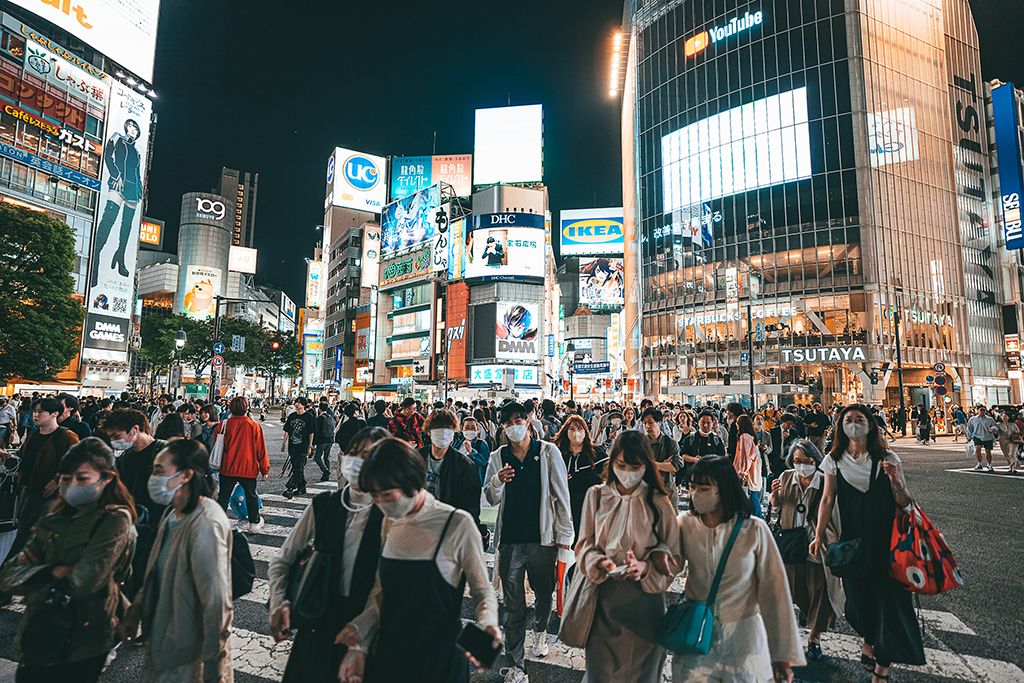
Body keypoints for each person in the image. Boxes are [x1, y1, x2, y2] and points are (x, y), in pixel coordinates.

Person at [336, 438, 500, 683]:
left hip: (440, 660)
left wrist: (488, 623)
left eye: (387, 494)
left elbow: (481, 588)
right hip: (390, 655)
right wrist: (359, 644)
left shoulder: (457, 523)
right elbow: (381, 592)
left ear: (411, 481)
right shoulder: (389, 522)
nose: (380, 503)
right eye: (375, 496)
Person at [0, 438, 137, 683]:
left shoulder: (115, 519)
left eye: (82, 479)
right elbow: (7, 577)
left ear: (106, 479)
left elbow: (86, 579)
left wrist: (37, 571)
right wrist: (56, 571)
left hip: (87, 635)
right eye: (65, 477)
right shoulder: (52, 518)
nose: (72, 484)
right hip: (38, 629)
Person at [809, 404, 924, 682]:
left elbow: (904, 500)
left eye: (860, 419)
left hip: (888, 543)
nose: (854, 423)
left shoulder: (887, 457)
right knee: (857, 606)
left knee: (889, 602)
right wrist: (818, 535)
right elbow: (827, 498)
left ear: (870, 425)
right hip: (853, 544)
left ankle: (881, 670)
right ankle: (869, 639)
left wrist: (895, 480)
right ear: (840, 425)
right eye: (848, 419)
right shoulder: (834, 459)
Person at [268, 427, 389, 683]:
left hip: (366, 628)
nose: (358, 460)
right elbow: (284, 557)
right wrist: (280, 601)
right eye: (354, 453)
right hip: (317, 621)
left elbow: (389, 585)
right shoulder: (325, 504)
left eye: (368, 455)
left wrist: (363, 636)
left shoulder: (393, 515)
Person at [671, 456, 805, 682]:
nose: (695, 494)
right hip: (697, 631)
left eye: (704, 488)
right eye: (692, 487)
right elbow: (669, 568)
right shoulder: (685, 523)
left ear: (723, 490)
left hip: (743, 637)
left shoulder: (754, 529)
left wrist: (781, 654)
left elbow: (774, 592)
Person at [119, 440, 233, 682]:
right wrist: (136, 609)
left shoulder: (206, 524)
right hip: (163, 643)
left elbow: (216, 604)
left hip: (191, 655)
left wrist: (215, 668)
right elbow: (157, 571)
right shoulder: (172, 514)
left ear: (186, 475)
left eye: (160, 470)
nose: (154, 477)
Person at [574, 431, 681, 682]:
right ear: (611, 462)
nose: (627, 472)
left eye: (635, 466)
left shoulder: (659, 502)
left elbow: (675, 553)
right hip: (603, 599)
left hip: (646, 603)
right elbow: (584, 545)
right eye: (620, 465)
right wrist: (598, 561)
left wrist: (646, 566)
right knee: (600, 674)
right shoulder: (596, 495)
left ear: (647, 465)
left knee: (644, 675)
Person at [484, 401, 573, 682]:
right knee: (513, 606)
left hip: (542, 540)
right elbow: (489, 496)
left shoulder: (547, 452)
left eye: (518, 420)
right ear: (502, 426)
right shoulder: (498, 456)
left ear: (529, 420)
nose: (514, 426)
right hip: (509, 540)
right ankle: (516, 664)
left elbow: (561, 496)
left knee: (544, 594)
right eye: (508, 422)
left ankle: (541, 632)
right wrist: (497, 480)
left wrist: (565, 536)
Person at [768, 439, 843, 661]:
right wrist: (773, 496)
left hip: (817, 543)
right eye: (796, 461)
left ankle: (815, 639)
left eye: (807, 461)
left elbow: (834, 510)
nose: (801, 465)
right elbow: (777, 505)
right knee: (795, 587)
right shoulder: (786, 477)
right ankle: (805, 614)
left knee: (821, 591)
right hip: (792, 541)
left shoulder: (824, 481)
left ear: (815, 460)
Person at [6, 398, 80, 565]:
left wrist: (57, 480)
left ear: (54, 414)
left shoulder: (66, 436)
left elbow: (77, 462)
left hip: (49, 496)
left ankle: (8, 571)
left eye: (40, 412)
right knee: (28, 534)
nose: (35, 415)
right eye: (34, 412)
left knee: (26, 535)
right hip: (28, 490)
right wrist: (9, 456)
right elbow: (23, 455)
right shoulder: (33, 434)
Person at [419, 410, 482, 530]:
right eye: (438, 427)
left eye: (448, 427)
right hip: (418, 527)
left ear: (453, 431)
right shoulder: (415, 459)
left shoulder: (465, 466)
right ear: (429, 431)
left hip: (448, 530)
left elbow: (471, 508)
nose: (443, 431)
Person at [215, 396, 269, 532]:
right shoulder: (254, 426)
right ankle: (254, 523)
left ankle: (218, 523)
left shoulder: (224, 425)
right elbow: (261, 449)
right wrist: (264, 469)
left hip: (227, 467)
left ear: (230, 408)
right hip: (248, 467)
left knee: (223, 496)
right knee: (250, 495)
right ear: (246, 408)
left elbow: (217, 446)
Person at [103, 408, 167, 522]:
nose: (112, 441)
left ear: (135, 429)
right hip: (136, 521)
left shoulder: (166, 451)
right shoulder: (125, 457)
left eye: (116, 436)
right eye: (111, 437)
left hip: (162, 521)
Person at [553, 415, 607, 544]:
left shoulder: (596, 453)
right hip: (567, 504)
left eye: (579, 428)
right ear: (566, 432)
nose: (576, 432)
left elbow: (609, 474)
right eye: (571, 429)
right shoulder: (560, 454)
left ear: (585, 431)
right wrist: (560, 479)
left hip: (593, 504)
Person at [641, 407, 682, 508]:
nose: (647, 426)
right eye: (644, 423)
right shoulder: (641, 443)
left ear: (659, 422)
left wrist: (650, 464)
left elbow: (674, 466)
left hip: (667, 492)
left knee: (670, 523)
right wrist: (664, 465)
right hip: (646, 493)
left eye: (650, 422)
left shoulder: (670, 443)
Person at [678, 411, 726, 487]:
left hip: (712, 479)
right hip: (694, 478)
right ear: (698, 422)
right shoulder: (691, 438)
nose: (705, 425)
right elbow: (683, 455)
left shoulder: (716, 440)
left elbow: (722, 458)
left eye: (708, 423)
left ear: (712, 423)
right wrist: (695, 459)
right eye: (703, 422)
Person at [282, 397, 316, 498]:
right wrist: (283, 443)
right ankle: (302, 487)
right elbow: (287, 430)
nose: (297, 404)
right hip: (292, 446)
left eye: (299, 402)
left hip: (303, 446)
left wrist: (310, 446)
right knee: (296, 466)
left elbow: (311, 433)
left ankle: (290, 488)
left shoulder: (309, 417)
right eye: (296, 402)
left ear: (304, 404)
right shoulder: (292, 416)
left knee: (298, 467)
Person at [733, 414, 765, 518]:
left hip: (747, 473)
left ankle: (758, 519)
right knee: (752, 496)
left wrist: (743, 472)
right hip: (752, 471)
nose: (736, 425)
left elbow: (746, 456)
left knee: (751, 496)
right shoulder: (751, 436)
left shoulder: (744, 437)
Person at [966, 405, 998, 472]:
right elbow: (969, 428)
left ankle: (989, 464)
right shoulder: (973, 419)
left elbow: (994, 426)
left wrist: (993, 429)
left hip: (988, 436)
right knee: (977, 449)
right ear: (977, 411)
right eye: (981, 410)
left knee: (988, 452)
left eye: (984, 410)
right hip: (977, 436)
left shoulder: (990, 419)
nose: (983, 411)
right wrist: (968, 437)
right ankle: (979, 463)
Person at [769, 413, 801, 481]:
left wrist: (789, 437)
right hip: (777, 459)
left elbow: (796, 443)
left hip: (789, 459)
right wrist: (770, 460)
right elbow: (771, 447)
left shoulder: (794, 432)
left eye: (792, 424)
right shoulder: (773, 431)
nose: (790, 426)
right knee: (777, 479)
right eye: (788, 423)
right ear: (782, 421)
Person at [311, 402, 337, 482]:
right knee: (326, 457)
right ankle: (327, 474)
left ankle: (325, 471)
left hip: (322, 441)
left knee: (317, 457)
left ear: (319, 409)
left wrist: (313, 443)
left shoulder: (319, 419)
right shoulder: (330, 417)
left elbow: (316, 432)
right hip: (330, 439)